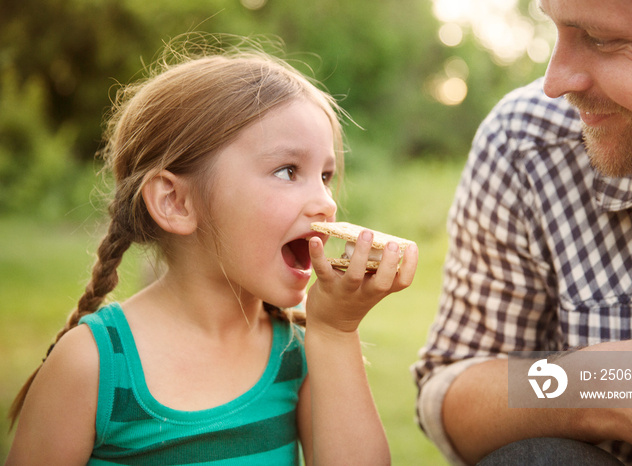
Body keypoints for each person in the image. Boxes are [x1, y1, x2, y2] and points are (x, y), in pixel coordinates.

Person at [6, 37, 418, 465]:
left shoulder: (298, 355)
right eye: (287, 170)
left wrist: (335, 334)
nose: (326, 203)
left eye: (326, 176)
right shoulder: (93, 364)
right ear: (175, 202)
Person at [412, 0, 632, 464]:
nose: (555, 82)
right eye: (556, 28)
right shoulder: (528, 142)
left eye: (601, 39)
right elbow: (448, 393)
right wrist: (606, 382)